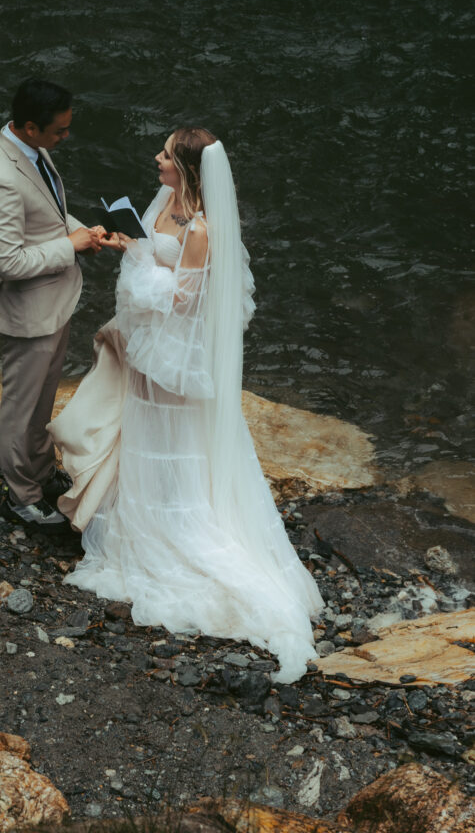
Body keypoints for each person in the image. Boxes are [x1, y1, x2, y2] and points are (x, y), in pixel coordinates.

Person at [48, 126, 324, 682]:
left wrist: (138, 262)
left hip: (174, 350)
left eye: (166, 156)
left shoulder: (201, 228)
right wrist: (135, 244)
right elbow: (159, 260)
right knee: (144, 436)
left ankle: (176, 533)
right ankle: (140, 521)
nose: (156, 159)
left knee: (173, 441)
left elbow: (184, 298)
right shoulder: (165, 202)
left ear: (189, 171)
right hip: (150, 340)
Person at [0, 78, 107, 534]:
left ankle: (39, 472)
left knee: (43, 399)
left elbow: (51, 217)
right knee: (21, 408)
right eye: (59, 131)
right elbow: (10, 260)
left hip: (54, 301)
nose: (65, 138)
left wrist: (86, 232)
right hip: (30, 310)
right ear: (27, 127)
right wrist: (71, 245)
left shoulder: (31, 148)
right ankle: (20, 497)